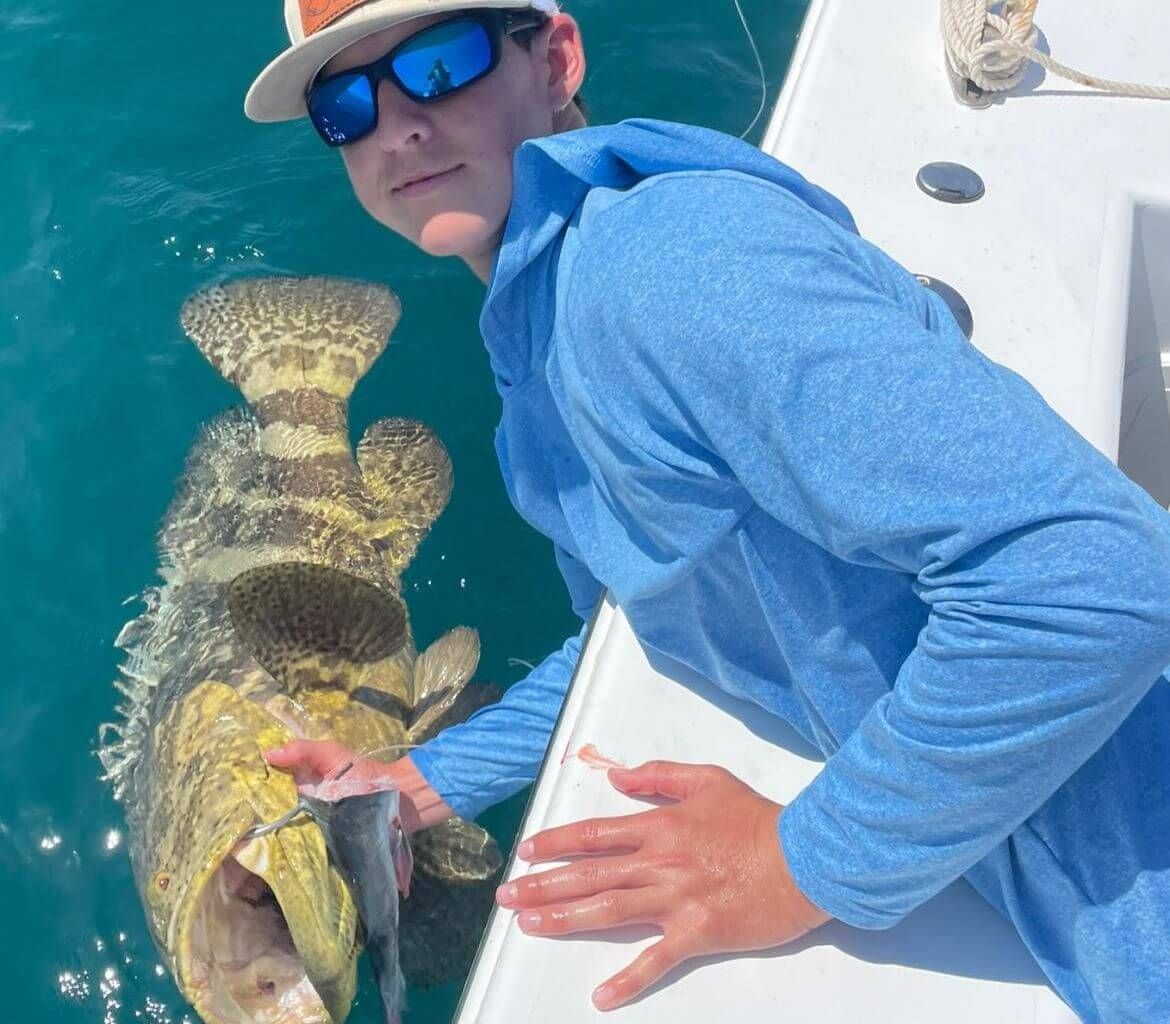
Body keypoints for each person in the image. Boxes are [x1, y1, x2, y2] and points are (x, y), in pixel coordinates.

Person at [246, 2, 1170, 1019]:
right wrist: (423, 784)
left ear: (555, 56)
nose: (396, 124)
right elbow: (654, 612)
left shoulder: (663, 270)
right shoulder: (545, 329)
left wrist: (802, 863)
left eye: (439, 63)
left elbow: (1090, 578)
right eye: (345, 104)